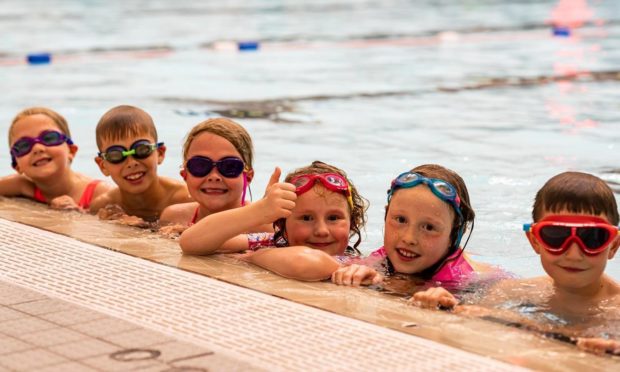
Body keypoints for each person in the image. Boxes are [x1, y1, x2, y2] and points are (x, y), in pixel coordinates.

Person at [411, 171, 620, 356]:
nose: (574, 254)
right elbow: (464, 316)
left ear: (613, 245)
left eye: (593, 237)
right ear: (535, 241)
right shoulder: (516, 291)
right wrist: (444, 303)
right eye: (556, 235)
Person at [179, 160, 368, 281]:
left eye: (333, 218)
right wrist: (258, 211)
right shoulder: (271, 241)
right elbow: (191, 242)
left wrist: (251, 257)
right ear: (282, 224)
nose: (321, 230)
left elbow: (307, 263)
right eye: (306, 218)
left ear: (352, 223)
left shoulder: (355, 263)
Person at [331, 164, 496, 287]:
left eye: (429, 228)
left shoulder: (464, 279)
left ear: (455, 233)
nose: (409, 239)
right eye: (401, 220)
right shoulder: (381, 259)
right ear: (386, 215)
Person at [159, 118, 264, 233]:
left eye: (229, 166)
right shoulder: (175, 217)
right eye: (200, 165)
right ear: (185, 175)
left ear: (248, 177)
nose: (214, 176)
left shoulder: (263, 227)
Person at [90, 105, 192, 221]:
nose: (131, 163)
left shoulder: (185, 200)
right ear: (103, 166)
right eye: (116, 155)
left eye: (142, 149)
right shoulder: (102, 206)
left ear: (160, 153)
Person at [1, 107, 111, 210]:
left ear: (71, 151)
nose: (37, 148)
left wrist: (79, 214)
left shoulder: (100, 193)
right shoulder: (23, 185)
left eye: (49, 138)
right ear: (17, 166)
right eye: (23, 146)